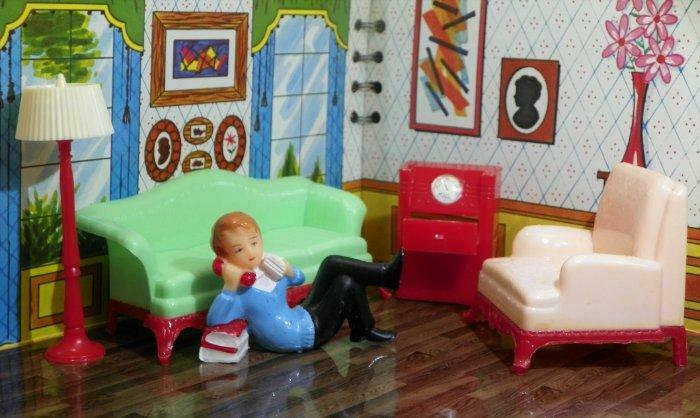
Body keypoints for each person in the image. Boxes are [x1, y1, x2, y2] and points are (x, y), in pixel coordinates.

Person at [206, 211, 403, 353]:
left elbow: (298, 279)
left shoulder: (267, 267)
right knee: (346, 283)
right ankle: (364, 328)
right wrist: (229, 286)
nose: (251, 252)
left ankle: (384, 276)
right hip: (302, 334)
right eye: (239, 250)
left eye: (254, 242)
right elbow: (215, 322)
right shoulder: (239, 293)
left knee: (331, 262)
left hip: (302, 314)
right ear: (225, 256)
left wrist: (288, 270)